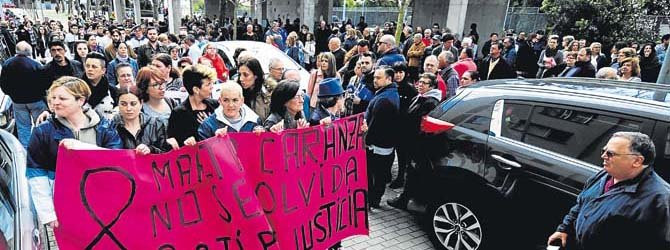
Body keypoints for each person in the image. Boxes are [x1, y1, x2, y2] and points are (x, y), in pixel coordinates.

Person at [27, 76, 122, 230]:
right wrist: (48, 213)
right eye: (53, 98)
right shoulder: (42, 131)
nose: (55, 102)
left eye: (62, 98)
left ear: (81, 100)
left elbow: (116, 159)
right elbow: (36, 174)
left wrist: (80, 147)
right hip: (65, 205)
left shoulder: (105, 126)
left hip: (103, 201)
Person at [547, 132, 670, 249]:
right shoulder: (603, 175)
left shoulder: (659, 199)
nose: (603, 156)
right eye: (603, 151)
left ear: (637, 161)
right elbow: (581, 204)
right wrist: (564, 229)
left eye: (610, 153)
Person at [387, 72, 442, 209]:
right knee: (411, 171)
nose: (420, 85)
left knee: (413, 172)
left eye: (424, 83)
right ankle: (408, 198)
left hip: (418, 144)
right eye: (420, 82)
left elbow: (422, 126)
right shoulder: (420, 97)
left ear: (432, 86)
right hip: (410, 141)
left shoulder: (431, 102)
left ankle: (406, 200)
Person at [364, 67, 400, 209]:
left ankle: (373, 200)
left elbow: (375, 126)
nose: (375, 80)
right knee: (378, 175)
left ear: (389, 79)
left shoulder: (384, 100)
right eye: (374, 77)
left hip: (378, 146)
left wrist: (366, 141)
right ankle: (374, 199)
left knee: (377, 175)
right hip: (382, 145)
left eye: (378, 78)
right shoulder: (387, 93)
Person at [0, 42, 48, 147]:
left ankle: (25, 151)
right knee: (41, 125)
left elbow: (3, 84)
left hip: (18, 101)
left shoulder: (7, 64)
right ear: (29, 51)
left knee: (23, 128)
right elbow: (43, 84)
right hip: (36, 100)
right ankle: (43, 148)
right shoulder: (35, 64)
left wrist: (11, 94)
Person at [167, 64, 218, 147]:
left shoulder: (215, 105)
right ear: (196, 89)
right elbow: (174, 141)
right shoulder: (179, 113)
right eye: (208, 84)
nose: (212, 87)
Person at [113, 85, 172, 154]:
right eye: (123, 104)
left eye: (133, 104)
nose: (128, 108)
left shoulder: (156, 124)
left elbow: (166, 153)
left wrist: (151, 149)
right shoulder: (111, 127)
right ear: (118, 105)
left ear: (141, 103)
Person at [197, 81, 263, 140]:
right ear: (220, 101)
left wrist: (262, 135)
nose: (231, 105)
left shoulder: (254, 121)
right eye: (226, 100)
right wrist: (215, 141)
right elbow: (203, 151)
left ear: (242, 100)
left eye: (235, 100)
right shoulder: (208, 126)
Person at [389, 62, 417, 189]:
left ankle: (401, 178)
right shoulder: (391, 87)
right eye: (396, 72)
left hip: (404, 128)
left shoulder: (410, 89)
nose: (398, 75)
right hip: (392, 125)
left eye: (401, 72)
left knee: (402, 155)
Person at [82, 52, 117, 120]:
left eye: (94, 67)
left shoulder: (113, 91)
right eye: (87, 66)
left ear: (103, 70)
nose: (90, 69)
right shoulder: (76, 89)